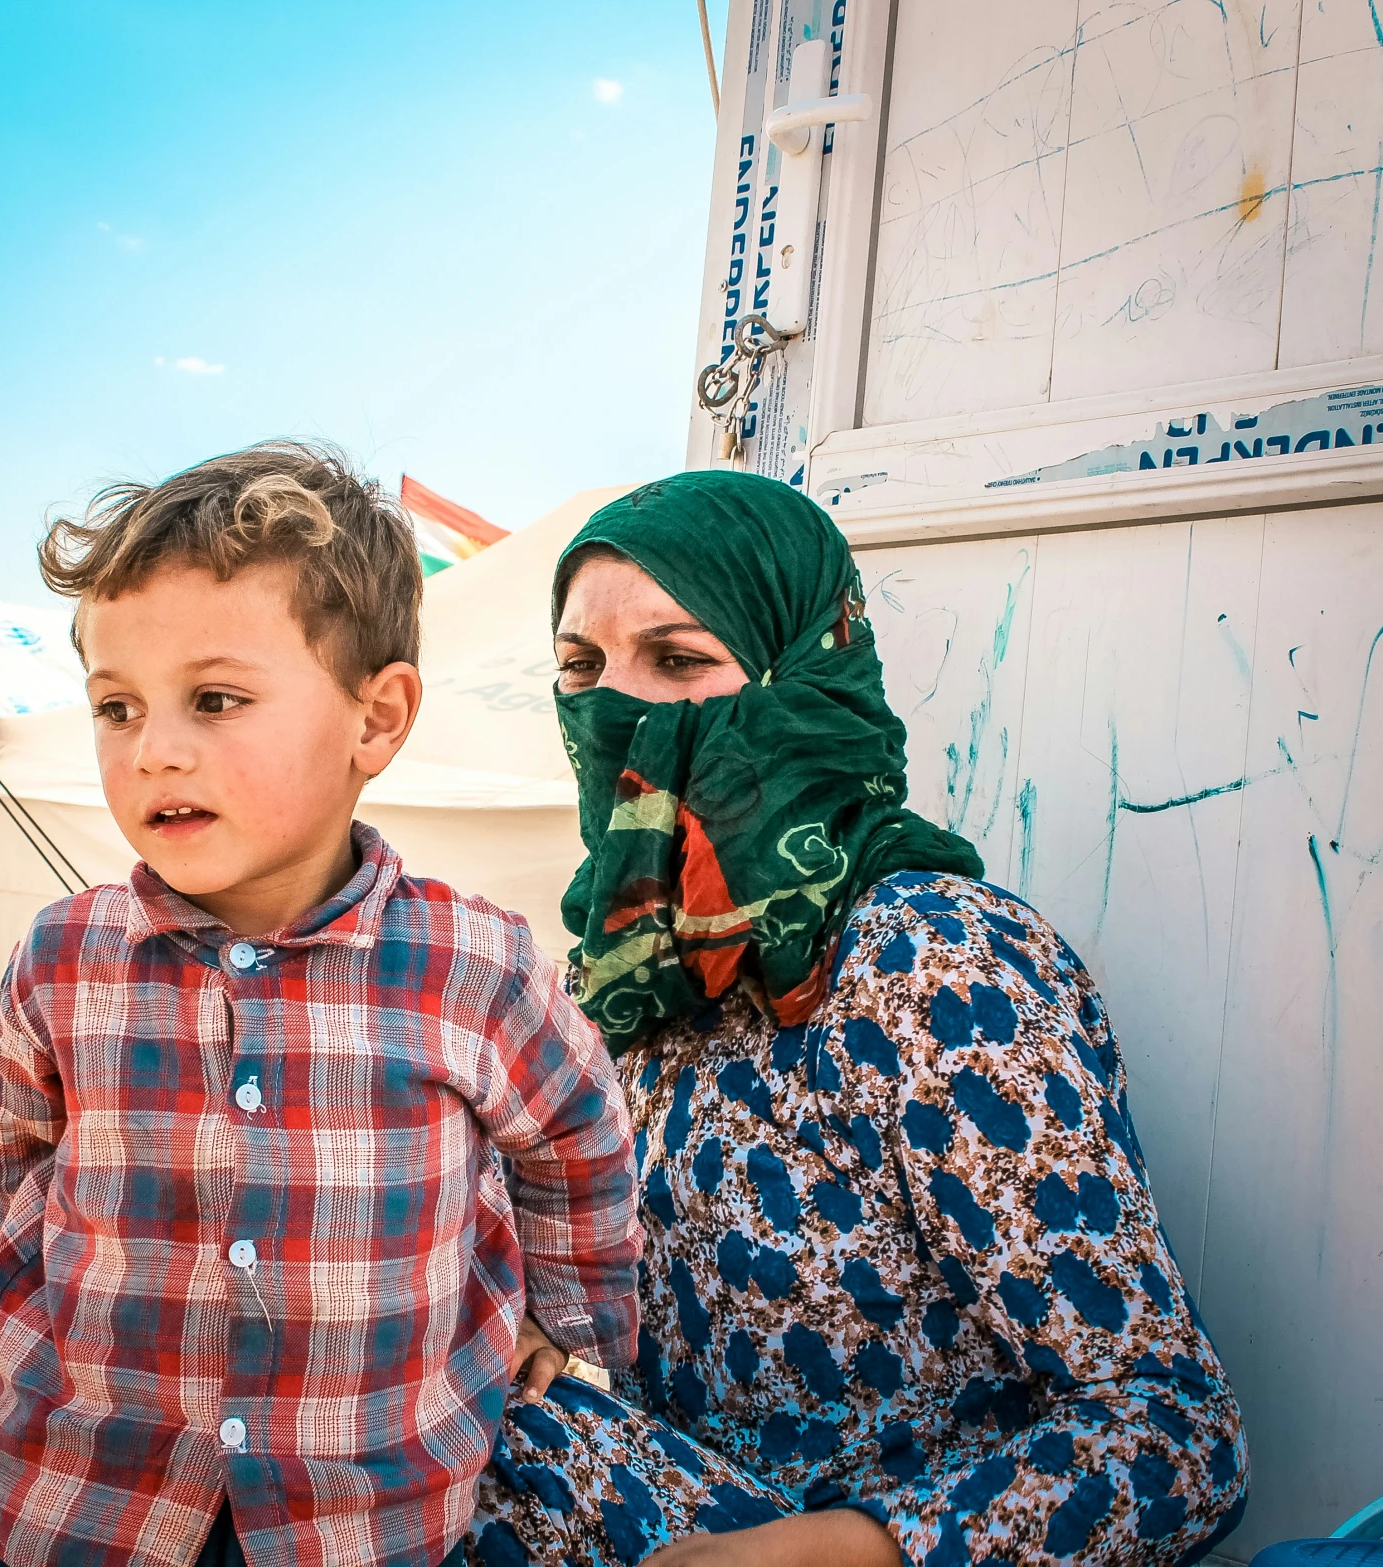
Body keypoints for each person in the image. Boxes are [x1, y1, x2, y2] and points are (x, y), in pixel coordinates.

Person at [465, 470, 1248, 1566]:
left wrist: (852, 1549)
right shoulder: (638, 985)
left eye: (680, 660)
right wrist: (531, 1320)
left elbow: (1176, 1440)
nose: (619, 712)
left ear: (804, 676)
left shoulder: (925, 958)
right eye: (581, 669)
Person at [0, 443, 643, 1567]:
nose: (155, 750)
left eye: (215, 700)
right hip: (84, 1505)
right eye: (117, 708)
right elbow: (13, 1163)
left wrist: (559, 1317)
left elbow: (579, 1140)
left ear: (375, 720)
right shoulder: (61, 959)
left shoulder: (470, 966)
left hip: (365, 1522)